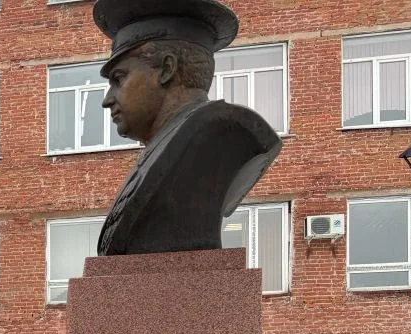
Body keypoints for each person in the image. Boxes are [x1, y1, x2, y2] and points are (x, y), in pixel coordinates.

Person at [92, 0, 280, 255]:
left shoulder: (217, 134)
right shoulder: (161, 147)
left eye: (119, 79)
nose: (107, 100)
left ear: (166, 69)